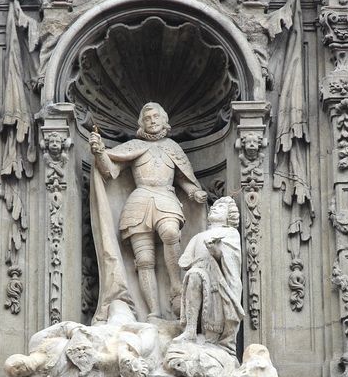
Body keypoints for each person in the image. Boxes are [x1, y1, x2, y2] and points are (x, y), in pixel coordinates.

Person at [89, 103, 208, 317]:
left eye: (156, 117)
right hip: (139, 202)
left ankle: (175, 285)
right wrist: (99, 153)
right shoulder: (133, 146)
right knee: (144, 260)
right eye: (147, 118)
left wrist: (193, 193)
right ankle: (153, 312)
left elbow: (184, 179)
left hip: (166, 197)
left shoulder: (173, 147)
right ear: (141, 124)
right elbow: (110, 170)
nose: (151, 120)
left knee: (171, 232)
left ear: (165, 121)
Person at [175, 196, 244, 353]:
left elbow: (231, 260)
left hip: (218, 280)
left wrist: (215, 250)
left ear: (229, 216)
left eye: (219, 208)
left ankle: (213, 337)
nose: (213, 208)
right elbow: (184, 262)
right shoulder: (198, 237)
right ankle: (190, 330)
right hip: (198, 273)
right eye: (213, 207)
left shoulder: (231, 233)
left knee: (195, 276)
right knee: (193, 275)